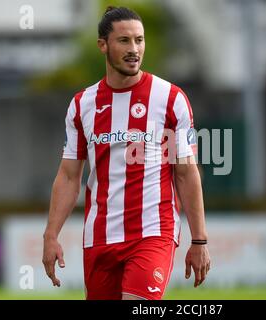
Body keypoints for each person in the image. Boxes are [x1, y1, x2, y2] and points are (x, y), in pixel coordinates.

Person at [42, 6, 210, 300]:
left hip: (152, 233)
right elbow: (69, 177)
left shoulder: (170, 99)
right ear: (103, 45)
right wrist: (51, 235)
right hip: (100, 238)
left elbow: (186, 172)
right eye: (124, 41)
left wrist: (199, 239)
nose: (134, 49)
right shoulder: (82, 105)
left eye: (139, 40)